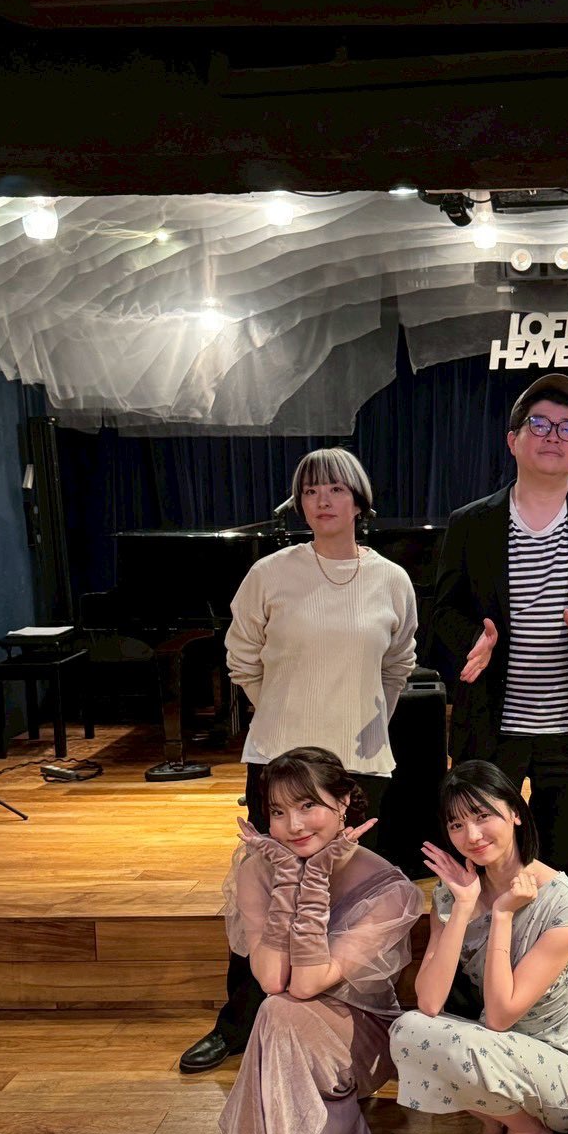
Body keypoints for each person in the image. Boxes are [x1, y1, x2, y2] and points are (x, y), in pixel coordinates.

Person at [179, 447, 418, 1074]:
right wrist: (283, 720)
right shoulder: (270, 573)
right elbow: (241, 656)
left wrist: (364, 718)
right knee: (267, 893)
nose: (322, 501)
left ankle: (348, 1023)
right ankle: (239, 1023)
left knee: (349, 896)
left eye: (335, 489)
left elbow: (398, 664)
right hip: (279, 762)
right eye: (310, 491)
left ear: (359, 501)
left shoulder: (391, 579)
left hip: (360, 764)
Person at [427, 373, 568, 894]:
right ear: (512, 440)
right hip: (492, 728)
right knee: (483, 863)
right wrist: (474, 641)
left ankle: (557, 950)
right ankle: (484, 947)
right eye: (539, 424)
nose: (553, 436)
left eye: (567, 428)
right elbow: (444, 608)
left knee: (563, 873)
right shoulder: (472, 523)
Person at [219, 746, 424, 1134]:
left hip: (364, 1034)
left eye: (307, 805)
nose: (293, 826)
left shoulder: (389, 887)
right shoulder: (259, 870)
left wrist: (313, 881)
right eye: (278, 812)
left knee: (283, 1011)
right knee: (277, 1009)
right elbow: (272, 979)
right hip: (288, 1019)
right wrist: (288, 879)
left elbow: (308, 983)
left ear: (344, 802)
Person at [389, 760, 568, 1134]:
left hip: (567, 1071)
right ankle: (498, 1124)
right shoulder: (453, 892)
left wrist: (503, 914)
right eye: (456, 824)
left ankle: (528, 1132)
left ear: (515, 813)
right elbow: (429, 1001)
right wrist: (463, 906)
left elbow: (501, 1016)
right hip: (496, 1055)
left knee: (466, 1040)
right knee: (407, 1029)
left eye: (482, 815)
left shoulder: (562, 901)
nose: (471, 835)